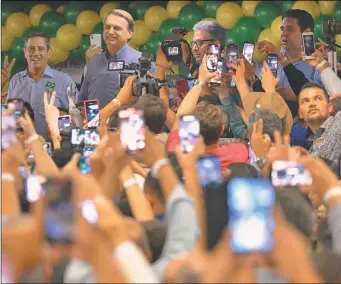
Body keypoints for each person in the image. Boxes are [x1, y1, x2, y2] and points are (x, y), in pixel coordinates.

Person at [7, 32, 78, 139]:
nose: (36, 53)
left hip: (55, 148)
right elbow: (9, 116)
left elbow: (78, 115)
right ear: (25, 52)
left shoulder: (64, 80)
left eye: (41, 49)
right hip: (22, 148)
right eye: (31, 49)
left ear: (48, 52)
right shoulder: (16, 80)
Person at [257, 9, 324, 116]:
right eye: (282, 29)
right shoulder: (274, 57)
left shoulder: (319, 63)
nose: (284, 34)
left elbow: (325, 102)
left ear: (306, 32)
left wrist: (297, 97)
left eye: (290, 29)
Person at [78, 9, 142, 108]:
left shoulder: (142, 61)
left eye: (117, 28)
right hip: (96, 122)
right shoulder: (93, 63)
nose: (110, 32)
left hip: (129, 122)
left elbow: (154, 103)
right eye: (107, 27)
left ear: (130, 33)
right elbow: (83, 101)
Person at [298, 82, 341, 165]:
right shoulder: (311, 144)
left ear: (330, 107)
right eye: (305, 101)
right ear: (300, 113)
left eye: (318, 98)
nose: (312, 104)